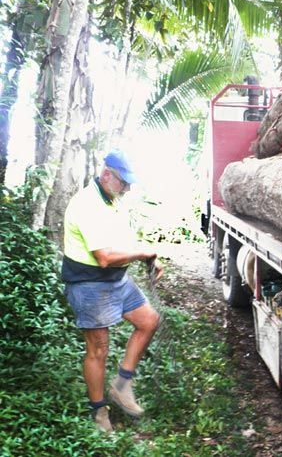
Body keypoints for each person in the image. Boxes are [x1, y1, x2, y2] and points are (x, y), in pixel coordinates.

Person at [61, 149, 164, 431]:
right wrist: (143, 253)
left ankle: (121, 384)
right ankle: (99, 411)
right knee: (98, 350)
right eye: (123, 181)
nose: (127, 188)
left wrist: (148, 256)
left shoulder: (112, 200)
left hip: (116, 280)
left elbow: (122, 242)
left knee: (149, 321)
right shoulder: (87, 204)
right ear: (107, 175)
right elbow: (104, 257)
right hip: (89, 283)